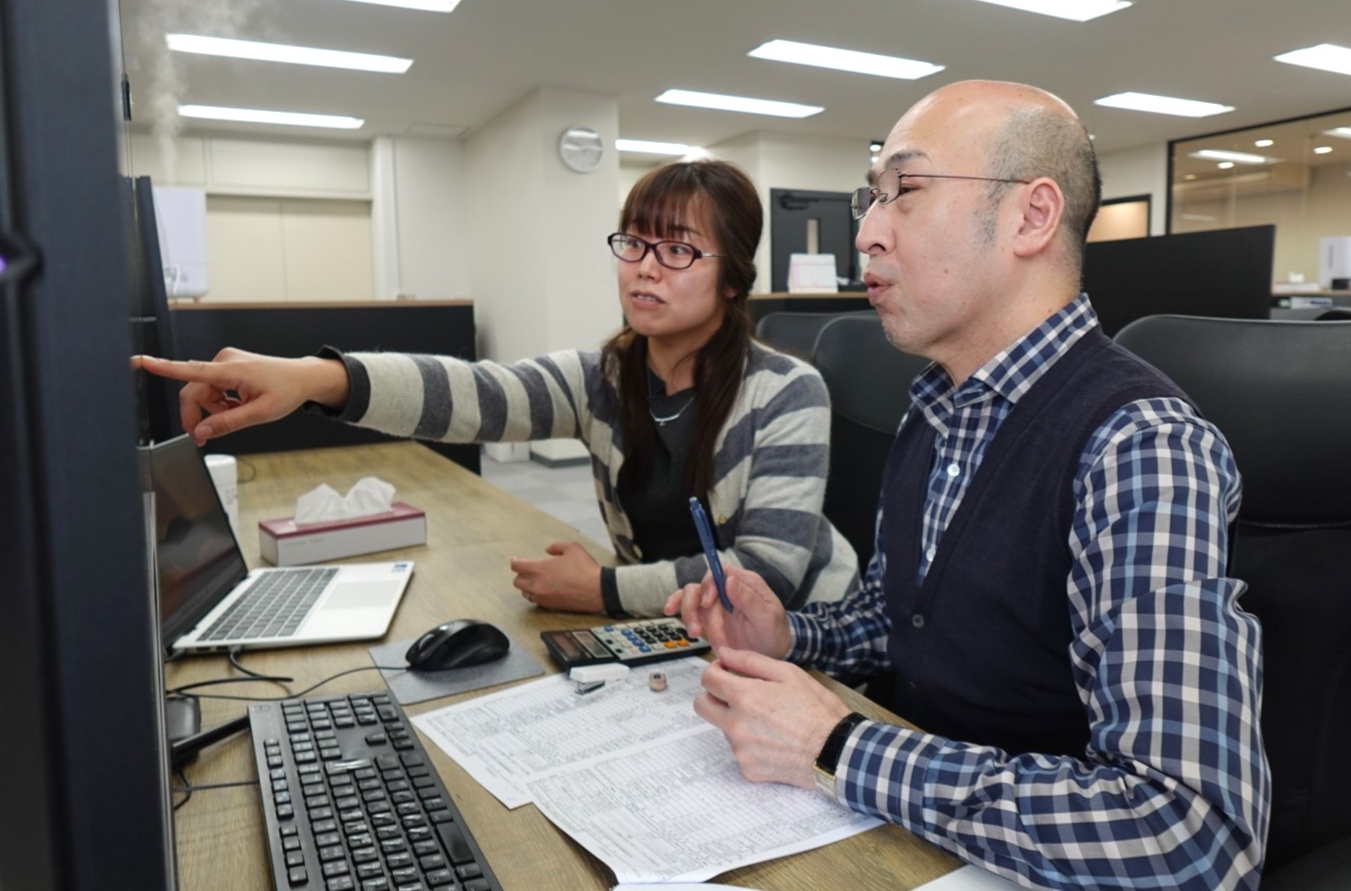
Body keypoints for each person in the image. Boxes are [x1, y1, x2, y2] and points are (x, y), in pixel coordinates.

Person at [667, 81, 1268, 890]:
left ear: (1031, 216)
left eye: (903, 193)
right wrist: (791, 639)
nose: (868, 235)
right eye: (868, 199)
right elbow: (899, 618)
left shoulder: (1140, 446)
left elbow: (1188, 833)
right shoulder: (937, 406)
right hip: (913, 837)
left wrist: (843, 745)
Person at [138, 159, 859, 618]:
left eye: (677, 251)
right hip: (680, 626)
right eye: (633, 243)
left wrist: (603, 592)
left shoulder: (788, 392)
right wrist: (313, 381)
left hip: (805, 640)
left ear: (732, 278)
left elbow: (768, 575)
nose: (644, 267)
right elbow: (474, 395)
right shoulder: (603, 379)